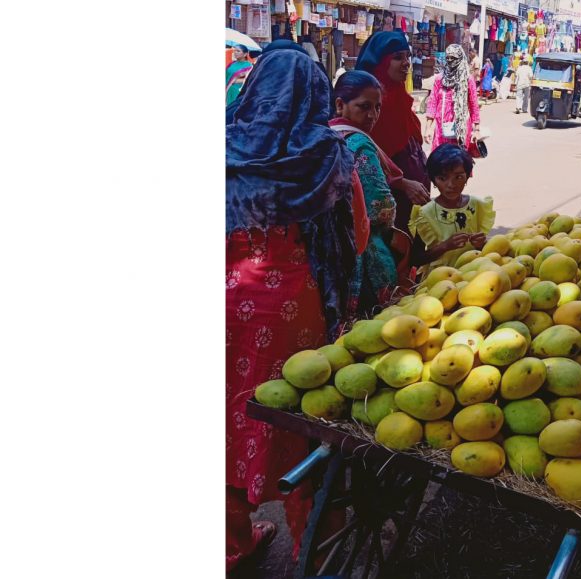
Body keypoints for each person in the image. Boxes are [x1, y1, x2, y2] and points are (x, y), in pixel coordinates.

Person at [226, 39, 359, 574]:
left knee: (224, 420)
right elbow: (352, 237)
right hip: (296, 312)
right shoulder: (326, 157)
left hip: (223, 304)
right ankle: (314, 549)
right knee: (302, 419)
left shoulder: (223, 150)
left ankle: (231, 546)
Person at [329, 70, 401, 318]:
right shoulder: (360, 144)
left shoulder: (325, 136)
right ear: (340, 105)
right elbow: (382, 208)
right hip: (363, 255)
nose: (373, 115)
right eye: (364, 107)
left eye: (378, 107)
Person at [355, 32, 432, 237]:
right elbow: (365, 164)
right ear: (381, 62)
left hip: (412, 208)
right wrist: (403, 183)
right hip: (387, 214)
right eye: (397, 57)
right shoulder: (369, 111)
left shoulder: (401, 100)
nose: (406, 63)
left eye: (407, 56)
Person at [409, 144, 494, 276]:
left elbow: (484, 247)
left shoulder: (478, 205)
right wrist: (445, 246)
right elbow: (416, 258)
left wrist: (481, 244)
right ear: (434, 180)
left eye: (458, 177)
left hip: (475, 275)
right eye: (442, 178)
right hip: (440, 281)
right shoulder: (425, 214)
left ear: (467, 177)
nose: (451, 185)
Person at [425, 44, 481, 151]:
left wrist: (477, 130)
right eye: (448, 58)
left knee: (458, 162)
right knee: (440, 161)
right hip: (441, 129)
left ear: (460, 58)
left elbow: (474, 105)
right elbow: (432, 102)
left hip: (461, 129)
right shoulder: (440, 79)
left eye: (453, 58)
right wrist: (428, 128)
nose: (450, 60)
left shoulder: (468, 80)